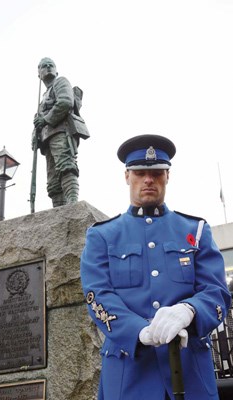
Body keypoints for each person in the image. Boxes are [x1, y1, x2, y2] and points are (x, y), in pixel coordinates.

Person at [80, 134, 231, 400]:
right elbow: (97, 296)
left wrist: (190, 310)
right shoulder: (102, 236)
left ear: (167, 176)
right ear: (127, 176)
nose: (148, 179)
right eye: (140, 172)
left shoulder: (195, 231)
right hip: (129, 375)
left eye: (157, 172)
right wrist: (138, 330)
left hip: (190, 373)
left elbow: (217, 292)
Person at [32, 57, 79, 207]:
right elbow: (37, 124)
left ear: (56, 70)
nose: (48, 67)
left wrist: (45, 119)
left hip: (60, 132)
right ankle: (58, 209)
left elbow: (65, 102)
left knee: (66, 166)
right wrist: (35, 137)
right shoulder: (43, 98)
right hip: (46, 141)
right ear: (39, 74)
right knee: (52, 180)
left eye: (50, 65)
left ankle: (72, 204)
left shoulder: (61, 82)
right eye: (44, 66)